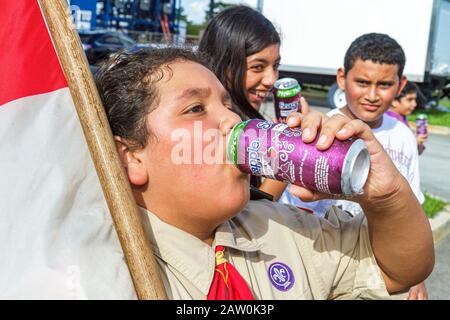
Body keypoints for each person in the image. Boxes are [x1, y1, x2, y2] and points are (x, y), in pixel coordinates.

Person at [96, 47, 434, 299]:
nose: (233, 121)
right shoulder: (101, 271)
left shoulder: (282, 229)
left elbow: (398, 270)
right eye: (196, 108)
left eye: (228, 106)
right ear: (131, 158)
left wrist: (386, 196)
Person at [280, 33, 428, 299]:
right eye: (362, 82)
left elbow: (412, 203)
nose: (372, 95)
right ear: (341, 78)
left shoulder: (404, 135)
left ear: (401, 83)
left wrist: (415, 273)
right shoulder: (321, 131)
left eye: (384, 84)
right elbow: (296, 213)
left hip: (383, 270)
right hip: (327, 264)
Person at [198, 5, 292, 200]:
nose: (271, 79)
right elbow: (249, 212)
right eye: (257, 67)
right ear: (223, 64)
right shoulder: (218, 129)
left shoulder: (248, 119)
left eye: (275, 66)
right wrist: (288, 153)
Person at [387, 81, 427, 155]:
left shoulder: (402, 118)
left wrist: (419, 143)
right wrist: (414, 142)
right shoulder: (390, 122)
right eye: (410, 100)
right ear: (394, 101)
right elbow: (393, 150)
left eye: (415, 100)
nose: (414, 104)